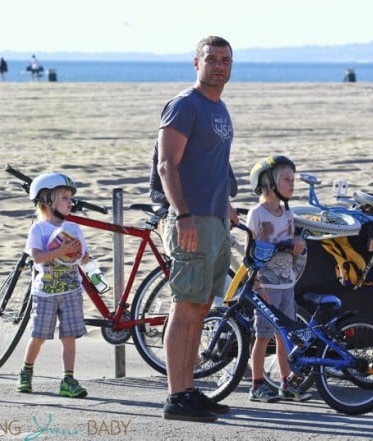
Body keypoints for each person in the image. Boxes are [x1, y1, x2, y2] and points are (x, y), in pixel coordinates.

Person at [158, 35, 235, 423]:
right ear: (196, 63)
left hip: (215, 220)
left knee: (202, 306)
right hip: (192, 220)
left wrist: (227, 207)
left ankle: (189, 389)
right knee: (185, 306)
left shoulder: (220, 108)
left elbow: (214, 166)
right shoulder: (185, 105)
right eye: (212, 59)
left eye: (225, 60)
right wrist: (183, 213)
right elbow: (167, 165)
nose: (219, 65)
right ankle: (175, 395)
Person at [16, 172, 90, 398]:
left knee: (68, 337)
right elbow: (37, 257)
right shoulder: (38, 229)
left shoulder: (74, 228)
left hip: (71, 291)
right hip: (45, 293)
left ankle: (68, 379)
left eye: (71, 198)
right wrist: (61, 250)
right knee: (39, 336)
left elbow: (84, 257)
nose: (71, 202)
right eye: (65, 197)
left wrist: (84, 258)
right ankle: (26, 372)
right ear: (47, 200)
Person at [246, 155, 313, 403]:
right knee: (263, 336)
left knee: (285, 336)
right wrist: (255, 283)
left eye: (293, 179)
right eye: (286, 179)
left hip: (286, 283)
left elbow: (295, 244)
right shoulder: (258, 213)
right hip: (267, 284)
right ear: (269, 183)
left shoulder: (287, 213)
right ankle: (257, 384)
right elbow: (250, 252)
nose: (291, 183)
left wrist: (299, 245)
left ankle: (286, 382)